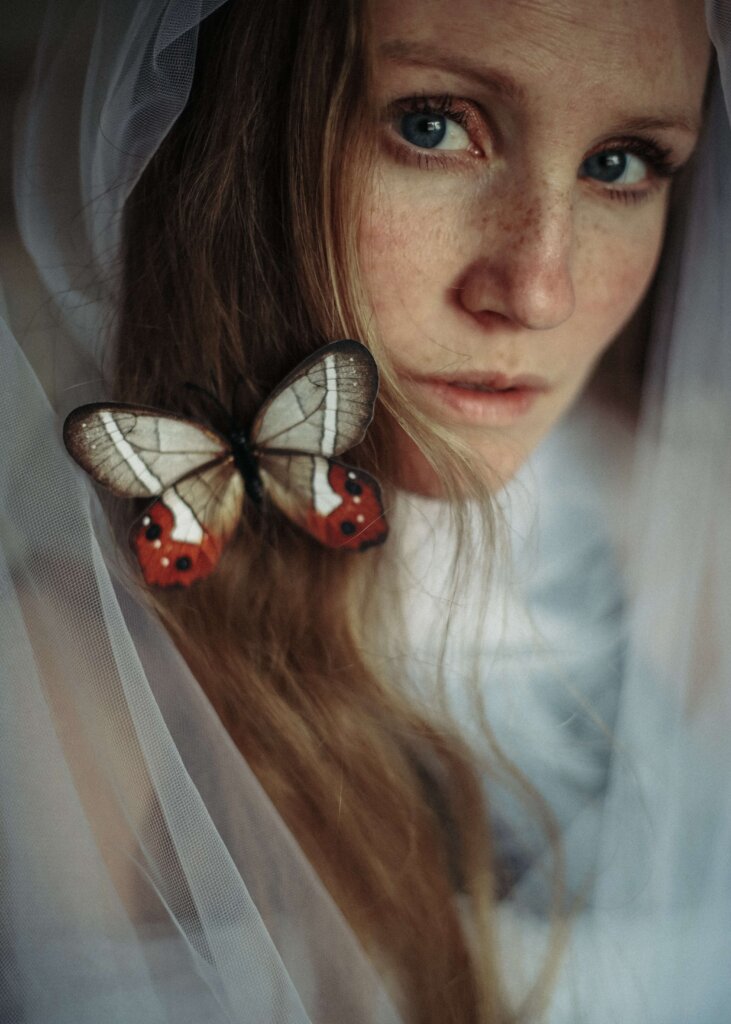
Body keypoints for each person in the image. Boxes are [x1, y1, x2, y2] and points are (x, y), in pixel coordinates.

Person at [1, 0, 729, 1021]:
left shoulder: (689, 547)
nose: (537, 289)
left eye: (621, 162)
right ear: (246, 141)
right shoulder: (63, 694)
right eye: (431, 123)